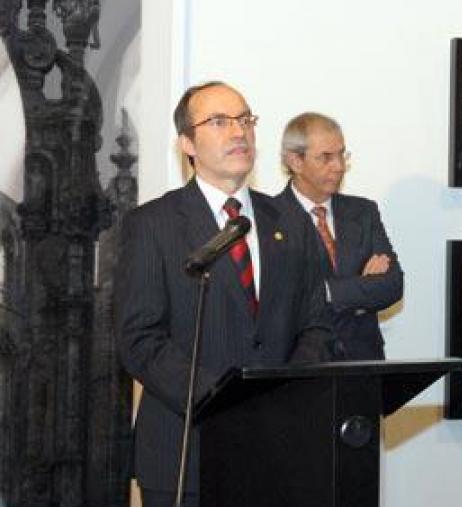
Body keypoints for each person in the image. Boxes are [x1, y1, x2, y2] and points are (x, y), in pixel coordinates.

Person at [115, 81, 333, 507]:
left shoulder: (290, 220)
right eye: (219, 122)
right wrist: (223, 400)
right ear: (187, 144)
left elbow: (317, 325)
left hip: (278, 450)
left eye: (245, 119)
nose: (239, 132)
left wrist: (282, 394)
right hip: (186, 451)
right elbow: (139, 339)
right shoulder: (153, 225)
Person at [276, 112, 402, 360]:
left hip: (362, 364)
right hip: (300, 368)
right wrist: (360, 290)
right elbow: (284, 299)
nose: (340, 166)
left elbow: (392, 285)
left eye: (342, 154)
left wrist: (325, 291)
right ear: (295, 161)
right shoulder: (270, 217)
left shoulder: (363, 212)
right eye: (326, 157)